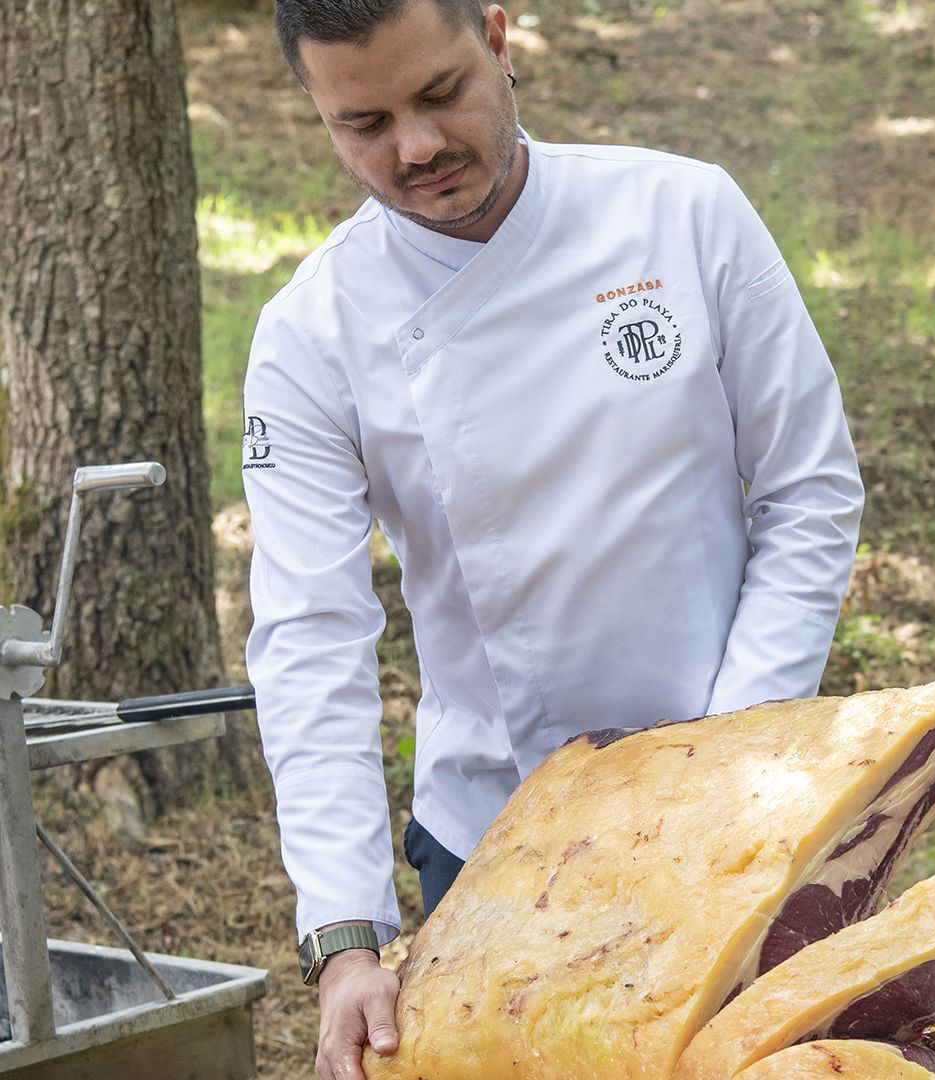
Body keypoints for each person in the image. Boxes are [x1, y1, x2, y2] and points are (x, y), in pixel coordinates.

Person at [244, 2, 863, 1078]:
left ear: (497, 34)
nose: (418, 147)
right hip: (491, 835)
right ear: (317, 111)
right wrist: (344, 937)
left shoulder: (683, 214)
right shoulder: (311, 334)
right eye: (365, 124)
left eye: (440, 94)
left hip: (737, 801)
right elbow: (310, 638)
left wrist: (727, 760)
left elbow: (808, 492)